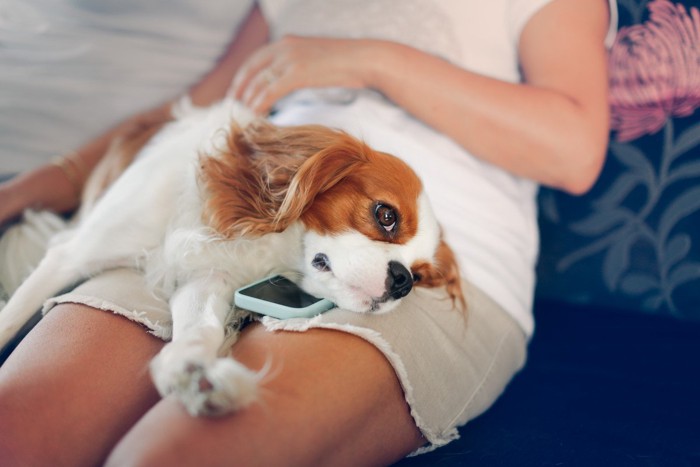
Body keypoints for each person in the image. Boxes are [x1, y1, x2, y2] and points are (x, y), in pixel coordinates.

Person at [0, 0, 617, 465]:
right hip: (243, 205)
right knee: (19, 429)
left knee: (176, 455)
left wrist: (369, 59)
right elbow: (184, 114)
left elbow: (573, 150)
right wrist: (28, 189)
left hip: (435, 266)